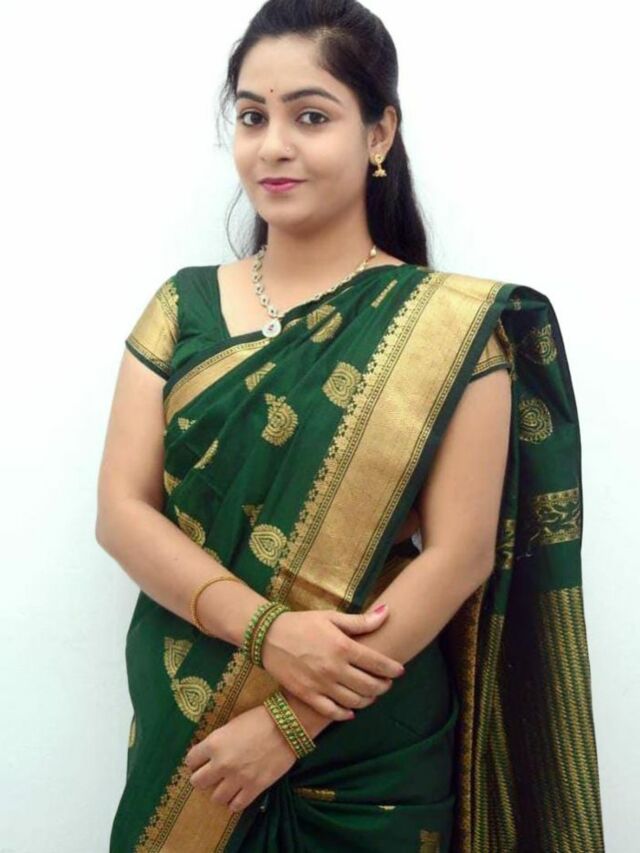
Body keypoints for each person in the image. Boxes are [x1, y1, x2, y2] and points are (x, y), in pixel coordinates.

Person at [96, 1, 605, 850]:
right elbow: (122, 511)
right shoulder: (181, 307)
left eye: (311, 116)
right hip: (195, 725)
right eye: (252, 117)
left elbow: (460, 555)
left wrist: (288, 723)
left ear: (379, 133)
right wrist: (267, 632)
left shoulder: (451, 329)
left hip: (368, 741)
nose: (273, 145)